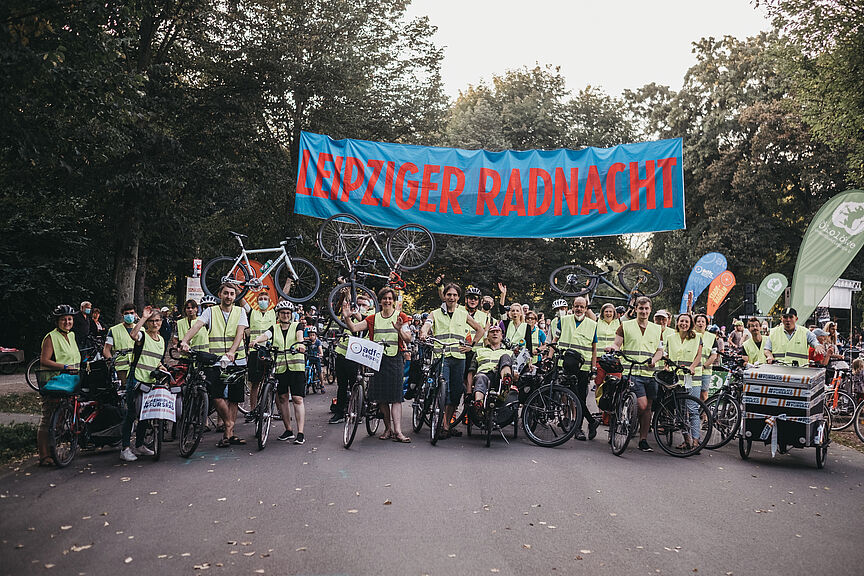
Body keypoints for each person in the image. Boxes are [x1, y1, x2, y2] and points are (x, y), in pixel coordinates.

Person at [179, 283, 249, 447]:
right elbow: (197, 326)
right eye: (226, 293)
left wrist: (231, 352)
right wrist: (184, 340)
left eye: (232, 294)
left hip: (236, 359)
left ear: (235, 296)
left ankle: (228, 435)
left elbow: (239, 334)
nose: (229, 296)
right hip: (216, 361)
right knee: (216, 395)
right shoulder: (210, 311)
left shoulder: (240, 312)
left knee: (234, 398)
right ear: (220, 294)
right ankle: (229, 423)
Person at [342, 287, 413, 442]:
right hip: (377, 360)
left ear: (393, 301)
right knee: (381, 398)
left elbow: (408, 339)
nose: (387, 301)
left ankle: (398, 431)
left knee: (396, 397)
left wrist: (400, 329)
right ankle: (387, 429)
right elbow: (354, 328)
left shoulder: (401, 316)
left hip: (395, 358)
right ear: (380, 301)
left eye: (390, 298)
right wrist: (348, 318)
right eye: (384, 298)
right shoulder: (373, 318)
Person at [419, 283, 485, 440]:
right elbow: (427, 325)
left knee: (455, 393)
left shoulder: (463, 313)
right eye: (449, 295)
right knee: (444, 389)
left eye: (455, 295)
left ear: (458, 297)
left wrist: (471, 345)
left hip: (458, 358)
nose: (452, 298)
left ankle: (446, 425)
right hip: (441, 356)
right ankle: (442, 424)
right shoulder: (435, 313)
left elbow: (480, 330)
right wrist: (423, 333)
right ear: (444, 296)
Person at [609, 296, 664, 452]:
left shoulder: (657, 329)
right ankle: (625, 422)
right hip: (631, 372)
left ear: (650, 310)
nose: (644, 311)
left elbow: (660, 351)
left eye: (646, 309)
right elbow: (617, 343)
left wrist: (654, 360)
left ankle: (643, 439)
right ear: (636, 309)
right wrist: (612, 348)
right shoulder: (624, 326)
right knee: (642, 404)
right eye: (641, 308)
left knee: (648, 409)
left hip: (650, 373)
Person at [251, 300, 307, 444]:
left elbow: (300, 336)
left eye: (288, 313)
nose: (285, 315)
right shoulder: (274, 328)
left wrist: (300, 344)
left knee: (297, 399)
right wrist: (256, 340)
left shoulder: (297, 326)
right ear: (278, 314)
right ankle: (288, 429)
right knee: (282, 398)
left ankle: (300, 433)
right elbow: (265, 335)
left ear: (291, 314)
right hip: (281, 368)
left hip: (296, 368)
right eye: (283, 313)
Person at [120, 306, 168, 462]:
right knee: (132, 414)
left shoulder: (161, 340)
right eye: (151, 321)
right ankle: (125, 448)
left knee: (146, 415)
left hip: (150, 382)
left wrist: (160, 366)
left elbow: (155, 360)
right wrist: (143, 318)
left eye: (157, 320)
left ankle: (140, 445)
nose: (154, 324)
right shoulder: (143, 335)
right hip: (136, 379)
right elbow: (133, 334)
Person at [549, 296, 598, 441]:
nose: (579, 309)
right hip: (564, 364)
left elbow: (594, 348)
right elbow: (555, 340)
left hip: (583, 367)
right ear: (572, 307)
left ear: (585, 308)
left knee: (580, 397)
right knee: (569, 395)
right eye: (576, 306)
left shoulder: (592, 324)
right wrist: (549, 357)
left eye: (582, 307)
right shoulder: (563, 321)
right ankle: (586, 422)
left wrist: (594, 367)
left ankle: (580, 427)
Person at [37, 304, 81, 466]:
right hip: (54, 382)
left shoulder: (72, 335)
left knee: (61, 418)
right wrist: (64, 367)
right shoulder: (51, 337)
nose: (67, 322)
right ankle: (44, 455)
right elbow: (44, 360)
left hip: (69, 383)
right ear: (57, 321)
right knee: (48, 418)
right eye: (63, 319)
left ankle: (55, 449)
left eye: (69, 319)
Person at [328, 293, 370, 425]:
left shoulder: (369, 318)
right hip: (342, 354)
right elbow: (348, 303)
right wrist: (346, 293)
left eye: (364, 305)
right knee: (341, 385)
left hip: (356, 357)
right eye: (359, 304)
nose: (361, 306)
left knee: (356, 384)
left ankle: (359, 412)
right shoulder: (349, 314)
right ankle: (340, 412)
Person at [663, 313, 703, 449]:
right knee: (680, 411)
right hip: (677, 379)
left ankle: (696, 440)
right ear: (677, 322)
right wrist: (666, 367)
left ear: (690, 324)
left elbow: (699, 355)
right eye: (681, 321)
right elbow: (666, 355)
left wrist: (692, 367)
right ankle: (687, 440)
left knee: (693, 410)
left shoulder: (697, 337)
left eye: (686, 321)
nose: (684, 324)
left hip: (693, 378)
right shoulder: (670, 338)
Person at [469, 324, 517, 415]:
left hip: (499, 377)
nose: (495, 334)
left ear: (501, 336)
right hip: (484, 376)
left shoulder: (508, 352)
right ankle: (479, 404)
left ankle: (506, 382)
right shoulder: (480, 351)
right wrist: (468, 392)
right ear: (488, 336)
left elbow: (515, 371)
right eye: (492, 332)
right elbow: (471, 372)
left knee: (505, 357)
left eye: (497, 332)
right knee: (480, 377)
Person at [244, 293, 275, 422]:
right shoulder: (252, 312)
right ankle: (252, 410)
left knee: (272, 382)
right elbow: (242, 300)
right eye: (261, 299)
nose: (263, 301)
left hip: (270, 351)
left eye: (265, 299)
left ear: (269, 301)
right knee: (255, 384)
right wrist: (235, 285)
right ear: (257, 301)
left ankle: (274, 411)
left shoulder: (274, 312)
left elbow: (284, 296)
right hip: (254, 351)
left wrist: (289, 281)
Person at [103, 303, 138, 387]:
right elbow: (106, 349)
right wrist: (111, 362)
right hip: (121, 369)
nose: (129, 315)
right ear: (122, 315)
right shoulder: (113, 330)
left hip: (138, 367)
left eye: (131, 313)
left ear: (135, 314)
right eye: (126, 313)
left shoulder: (141, 329)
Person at [694, 314, 720, 403]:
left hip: (705, 370)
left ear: (706, 324)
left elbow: (714, 355)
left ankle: (705, 415)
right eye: (698, 321)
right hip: (692, 369)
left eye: (703, 322)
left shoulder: (712, 337)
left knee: (704, 394)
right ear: (694, 323)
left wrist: (704, 366)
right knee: (691, 394)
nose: (700, 324)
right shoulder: (690, 335)